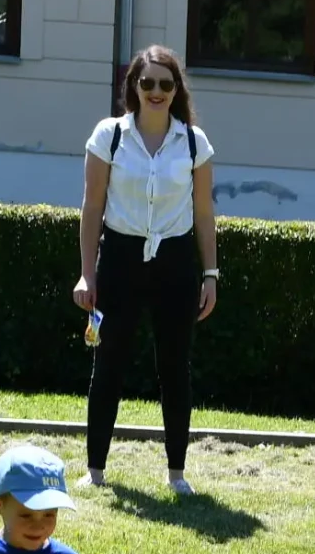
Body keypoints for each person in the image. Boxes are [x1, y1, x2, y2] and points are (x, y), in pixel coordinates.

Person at [75, 45, 219, 494]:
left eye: (166, 84)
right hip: (119, 258)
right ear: (133, 87)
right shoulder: (109, 136)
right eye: (148, 83)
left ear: (176, 91)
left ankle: (177, 474)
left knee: (175, 368)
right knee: (109, 363)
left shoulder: (194, 143)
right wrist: (86, 274)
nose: (156, 92)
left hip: (175, 263)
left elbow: (203, 214)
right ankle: (95, 469)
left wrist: (211, 274)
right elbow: (92, 206)